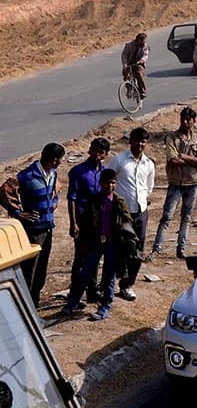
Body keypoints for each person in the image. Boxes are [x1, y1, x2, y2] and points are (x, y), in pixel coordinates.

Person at [60, 169, 133, 321]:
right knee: (84, 274)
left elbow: (127, 222)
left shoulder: (119, 202)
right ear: (101, 183)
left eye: (113, 183)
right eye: (107, 183)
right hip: (94, 242)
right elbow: (86, 222)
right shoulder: (93, 200)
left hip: (113, 244)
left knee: (108, 277)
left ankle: (104, 307)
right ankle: (72, 304)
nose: (110, 186)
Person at [3, 143, 64, 306]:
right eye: (59, 160)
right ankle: (22, 305)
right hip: (32, 232)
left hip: (48, 229)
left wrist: (53, 202)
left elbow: (57, 189)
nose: (60, 163)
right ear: (54, 160)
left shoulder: (53, 174)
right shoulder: (26, 175)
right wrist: (18, 213)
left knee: (41, 271)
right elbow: (4, 192)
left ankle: (34, 304)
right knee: (29, 270)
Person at [150, 107, 197, 261]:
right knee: (167, 217)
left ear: (194, 121)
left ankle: (180, 249)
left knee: (186, 218)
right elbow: (172, 159)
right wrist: (190, 160)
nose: (185, 122)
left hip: (192, 183)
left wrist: (183, 156)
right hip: (176, 183)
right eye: (183, 119)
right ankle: (157, 248)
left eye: (188, 119)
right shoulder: (172, 138)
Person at [106, 128, 155, 302]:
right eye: (137, 140)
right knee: (120, 247)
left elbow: (148, 187)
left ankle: (128, 285)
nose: (140, 144)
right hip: (121, 214)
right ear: (130, 141)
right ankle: (112, 283)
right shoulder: (119, 161)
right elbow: (106, 180)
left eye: (143, 141)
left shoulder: (148, 164)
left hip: (141, 211)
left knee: (138, 249)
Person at [67, 138, 111, 307]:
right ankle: (75, 295)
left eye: (101, 152)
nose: (96, 155)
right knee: (80, 259)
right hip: (82, 220)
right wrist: (73, 224)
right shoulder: (78, 171)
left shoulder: (105, 172)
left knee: (96, 256)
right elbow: (71, 198)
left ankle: (92, 292)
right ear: (89, 150)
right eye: (94, 150)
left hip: (98, 222)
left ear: (105, 154)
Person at [121, 32, 149, 99]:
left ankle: (142, 91)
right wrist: (125, 64)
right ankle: (129, 89)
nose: (144, 41)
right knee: (126, 75)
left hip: (139, 64)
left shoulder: (145, 46)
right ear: (139, 40)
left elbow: (145, 55)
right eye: (143, 40)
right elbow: (124, 54)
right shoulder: (129, 45)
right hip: (129, 63)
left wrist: (141, 61)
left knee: (138, 73)